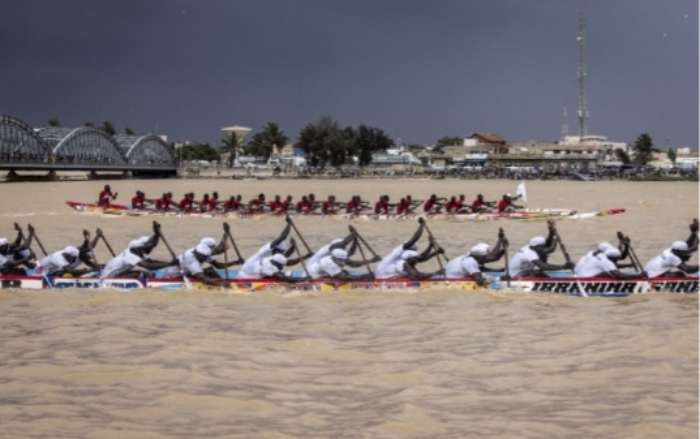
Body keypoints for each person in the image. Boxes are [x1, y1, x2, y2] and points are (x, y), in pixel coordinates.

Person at [375, 219, 445, 280]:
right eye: (415, 257)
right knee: (414, 274)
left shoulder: (405, 258)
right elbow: (414, 240)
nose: (417, 260)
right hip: (382, 274)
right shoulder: (401, 258)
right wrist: (422, 225)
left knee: (414, 271)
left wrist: (433, 248)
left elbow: (421, 258)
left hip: (390, 273)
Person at [99, 223, 173, 278]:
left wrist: (156, 234)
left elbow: (151, 259)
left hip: (113, 272)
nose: (150, 248)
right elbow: (148, 265)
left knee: (149, 272)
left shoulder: (136, 251)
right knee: (143, 273)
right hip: (108, 277)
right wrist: (170, 264)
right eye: (146, 247)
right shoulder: (131, 255)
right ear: (139, 248)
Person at [161, 237, 244, 285]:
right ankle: (224, 286)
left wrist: (235, 262)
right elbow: (203, 278)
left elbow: (218, 265)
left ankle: (224, 284)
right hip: (173, 278)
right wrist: (220, 284)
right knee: (208, 275)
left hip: (187, 273)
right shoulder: (192, 260)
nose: (205, 257)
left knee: (210, 270)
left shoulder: (200, 252)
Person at [305, 226, 378, 280]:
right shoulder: (330, 251)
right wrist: (364, 276)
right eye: (342, 246)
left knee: (345, 272)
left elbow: (351, 255)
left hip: (322, 267)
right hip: (313, 272)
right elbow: (350, 267)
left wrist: (355, 240)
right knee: (342, 276)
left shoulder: (337, 253)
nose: (344, 247)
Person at [508, 233, 574, 278]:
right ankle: (550, 282)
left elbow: (550, 249)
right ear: (537, 246)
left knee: (544, 255)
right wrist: (564, 267)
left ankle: (548, 280)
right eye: (542, 247)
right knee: (539, 272)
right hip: (515, 275)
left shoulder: (531, 246)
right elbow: (544, 267)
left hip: (522, 271)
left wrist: (553, 235)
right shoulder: (529, 254)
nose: (544, 248)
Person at [574, 242, 642, 279]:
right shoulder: (606, 261)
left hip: (579, 275)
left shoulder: (597, 255)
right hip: (585, 279)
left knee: (609, 273)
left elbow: (621, 258)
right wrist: (638, 276)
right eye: (616, 259)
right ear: (613, 258)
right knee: (609, 274)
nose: (617, 261)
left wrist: (625, 247)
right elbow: (619, 275)